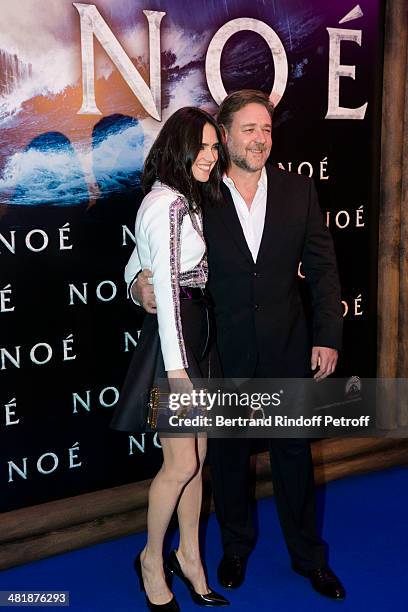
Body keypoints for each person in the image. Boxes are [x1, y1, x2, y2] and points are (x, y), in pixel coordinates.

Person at [129, 90, 346, 602]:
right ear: (223, 137)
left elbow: (324, 271)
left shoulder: (299, 191)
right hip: (220, 351)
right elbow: (150, 246)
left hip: (288, 348)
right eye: (248, 129)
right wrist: (137, 282)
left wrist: (327, 337)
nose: (260, 139)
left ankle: (309, 558)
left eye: (267, 129)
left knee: (295, 457)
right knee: (226, 461)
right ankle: (233, 549)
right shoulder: (199, 193)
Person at [111, 107, 230, 610]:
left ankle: (191, 556)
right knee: (181, 463)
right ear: (178, 148)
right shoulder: (168, 204)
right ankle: (151, 561)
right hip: (175, 343)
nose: (210, 156)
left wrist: (134, 284)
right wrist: (179, 371)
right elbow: (163, 285)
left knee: (196, 461)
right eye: (200, 147)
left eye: (213, 148)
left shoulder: (184, 199)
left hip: (193, 337)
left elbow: (138, 263)